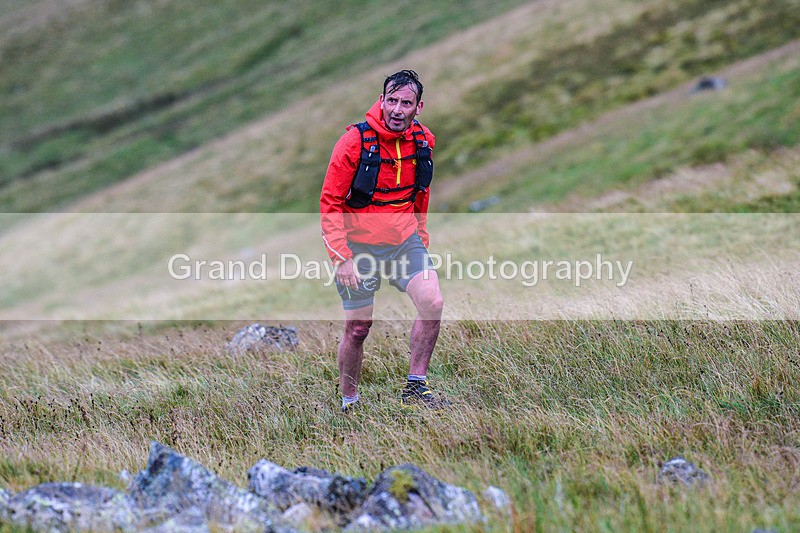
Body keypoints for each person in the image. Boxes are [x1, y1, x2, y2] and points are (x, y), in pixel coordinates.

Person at [320, 69, 448, 412]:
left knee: (432, 303)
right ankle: (350, 402)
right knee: (359, 327)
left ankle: (416, 388)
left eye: (406, 103)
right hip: (358, 248)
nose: (397, 109)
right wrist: (341, 258)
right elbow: (330, 202)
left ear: (418, 107)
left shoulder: (423, 141)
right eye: (391, 100)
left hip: (405, 243)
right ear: (381, 100)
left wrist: (420, 235)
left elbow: (420, 192)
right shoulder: (354, 142)